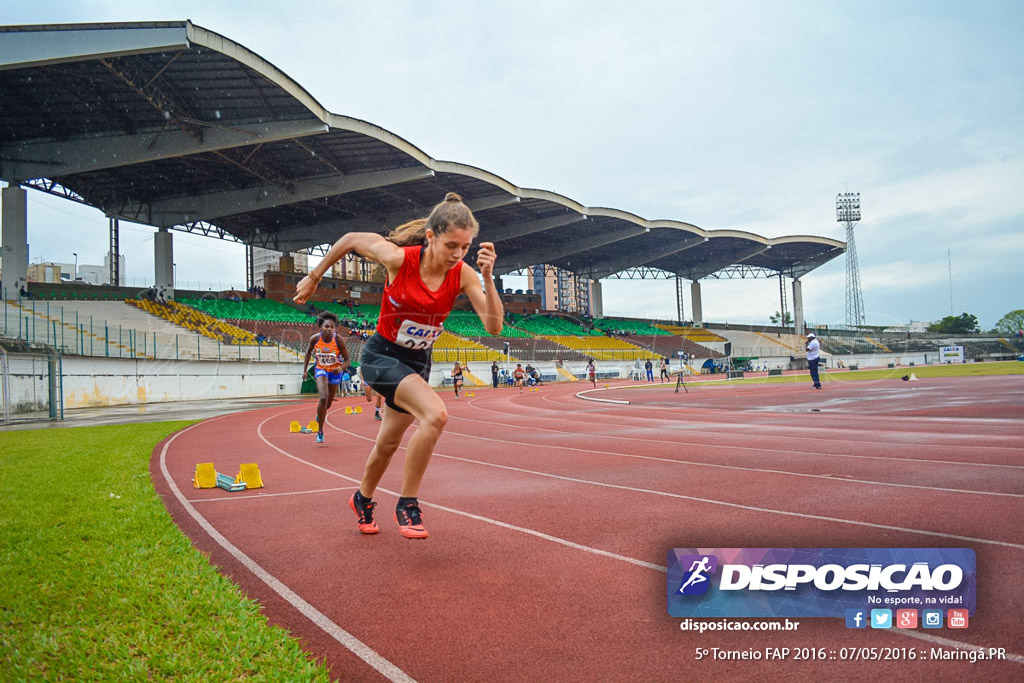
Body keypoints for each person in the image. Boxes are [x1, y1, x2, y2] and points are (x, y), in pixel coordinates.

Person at [294, 192, 503, 539]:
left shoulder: (464, 274)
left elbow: (493, 326)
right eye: (451, 245)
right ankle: (408, 504)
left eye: (465, 247)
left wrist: (487, 276)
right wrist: (315, 275)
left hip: (417, 362)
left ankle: (362, 499)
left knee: (388, 443)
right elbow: (349, 239)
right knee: (435, 415)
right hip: (381, 356)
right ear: (432, 236)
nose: (457, 254)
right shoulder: (397, 258)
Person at [302, 311, 351, 443]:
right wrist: (305, 370)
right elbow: (308, 353)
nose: (329, 329)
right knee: (323, 397)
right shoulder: (315, 339)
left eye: (331, 327)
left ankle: (321, 413)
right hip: (321, 369)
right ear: (321, 327)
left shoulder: (339, 340)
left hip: (335, 372)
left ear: (335, 328)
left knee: (328, 403)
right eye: (326, 326)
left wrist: (340, 368)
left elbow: (348, 361)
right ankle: (320, 431)